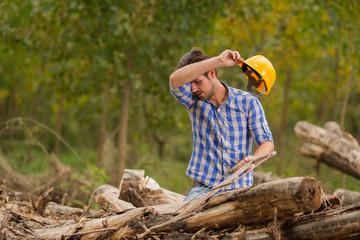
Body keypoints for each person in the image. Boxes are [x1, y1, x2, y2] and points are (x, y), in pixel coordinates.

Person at [169, 48, 274, 201]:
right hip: (203, 189)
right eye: (190, 84)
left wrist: (254, 159)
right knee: (182, 221)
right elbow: (174, 80)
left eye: (197, 82)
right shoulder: (192, 101)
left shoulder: (248, 102)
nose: (193, 89)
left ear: (212, 73)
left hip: (240, 190)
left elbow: (267, 143)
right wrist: (219, 61)